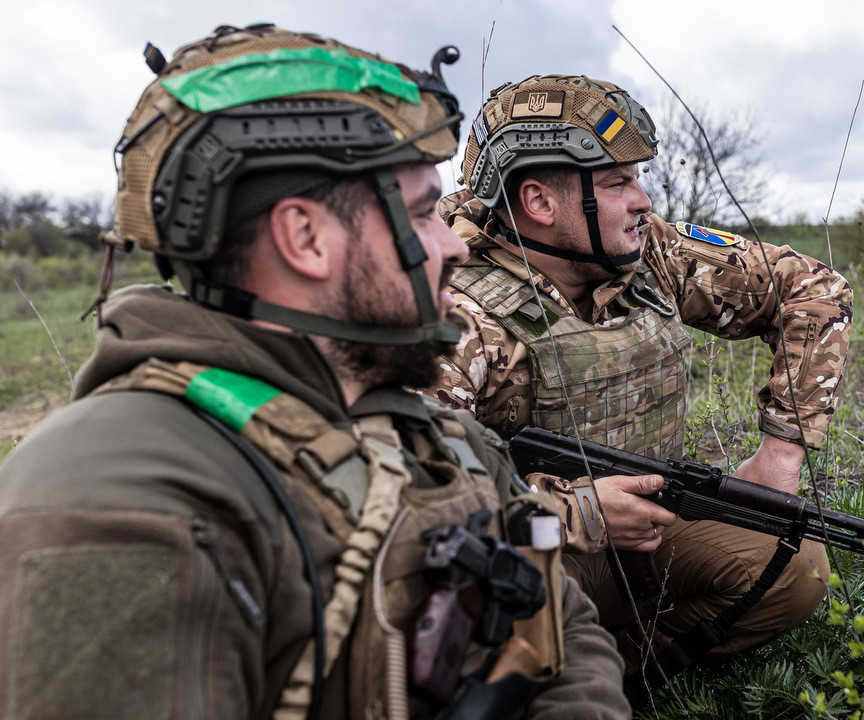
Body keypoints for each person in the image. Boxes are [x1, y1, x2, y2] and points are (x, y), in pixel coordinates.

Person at [0, 28, 627, 720]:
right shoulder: (117, 489)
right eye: (422, 214)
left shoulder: (440, 435)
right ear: (304, 238)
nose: (452, 243)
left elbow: (568, 636)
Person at [425, 75, 854, 677]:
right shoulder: (454, 318)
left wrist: (782, 451)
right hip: (525, 556)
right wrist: (576, 512)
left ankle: (612, 675)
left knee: (794, 563)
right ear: (539, 203)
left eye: (637, 177)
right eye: (616, 182)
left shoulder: (646, 253)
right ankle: (535, 677)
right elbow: (409, 501)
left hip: (646, 531)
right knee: (451, 617)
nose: (643, 200)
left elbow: (811, 288)